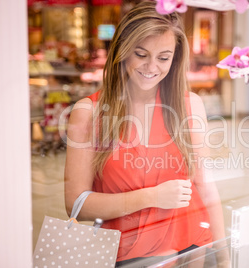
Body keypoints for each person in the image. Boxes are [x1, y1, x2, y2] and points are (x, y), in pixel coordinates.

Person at [64, 1, 228, 267]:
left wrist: (224, 258)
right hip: (129, 256)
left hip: (193, 249)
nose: (152, 67)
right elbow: (76, 205)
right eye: (141, 54)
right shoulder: (90, 112)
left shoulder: (190, 105)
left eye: (163, 58)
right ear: (123, 51)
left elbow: (206, 188)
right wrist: (151, 197)